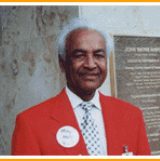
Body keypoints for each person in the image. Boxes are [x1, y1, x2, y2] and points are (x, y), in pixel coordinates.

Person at [11, 17, 151, 156]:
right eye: (79, 55)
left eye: (98, 55)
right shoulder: (30, 123)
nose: (90, 64)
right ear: (63, 63)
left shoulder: (132, 115)